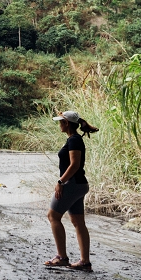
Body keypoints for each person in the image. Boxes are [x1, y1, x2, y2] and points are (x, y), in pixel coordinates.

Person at [44, 110, 99, 272]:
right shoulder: (73, 139)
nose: (59, 124)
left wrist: (60, 181)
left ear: (66, 123)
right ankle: (85, 262)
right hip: (79, 184)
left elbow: (74, 165)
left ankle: (62, 257)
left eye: (61, 121)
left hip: (72, 184)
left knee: (53, 216)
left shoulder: (74, 140)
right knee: (77, 222)